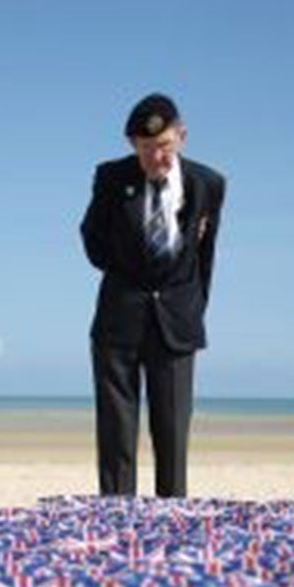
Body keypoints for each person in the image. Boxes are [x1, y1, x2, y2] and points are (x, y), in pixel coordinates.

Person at [80, 92, 226, 499]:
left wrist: (192, 310)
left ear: (180, 136)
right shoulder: (111, 177)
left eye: (163, 146)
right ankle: (115, 522)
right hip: (119, 319)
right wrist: (131, 268)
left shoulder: (208, 184)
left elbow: (206, 257)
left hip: (177, 322)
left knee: (173, 435)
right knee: (116, 435)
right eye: (146, 149)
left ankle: (171, 523)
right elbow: (92, 242)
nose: (156, 157)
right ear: (132, 145)